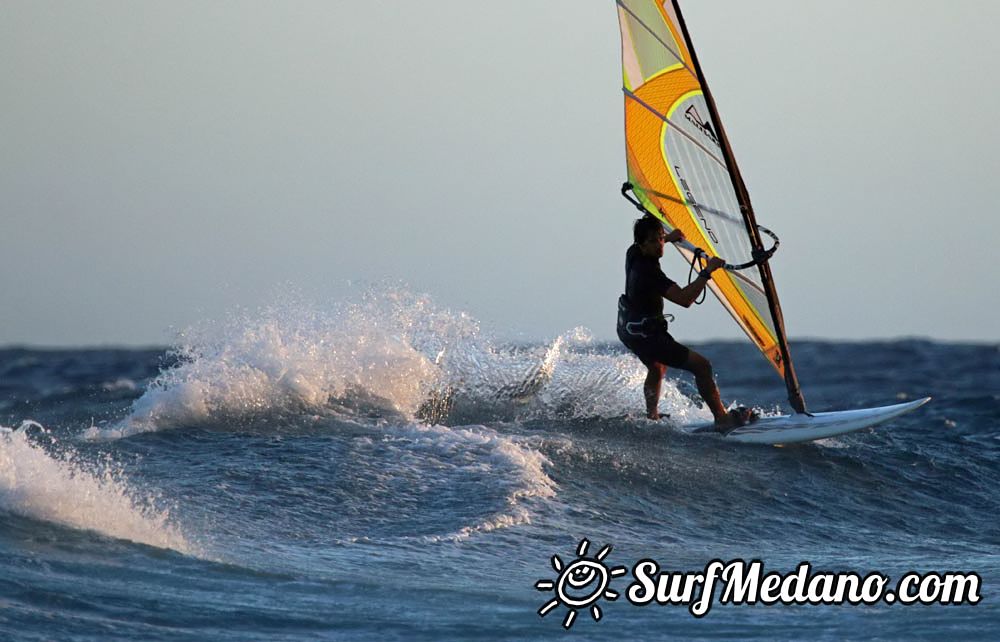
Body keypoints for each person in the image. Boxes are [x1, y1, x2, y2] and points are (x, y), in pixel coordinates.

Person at [617, 214, 756, 431]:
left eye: (660, 239)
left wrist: (670, 238)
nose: (659, 245)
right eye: (653, 241)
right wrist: (707, 271)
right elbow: (684, 299)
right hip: (647, 336)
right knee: (702, 366)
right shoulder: (649, 273)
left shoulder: (632, 253)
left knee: (657, 367)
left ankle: (651, 416)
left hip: (629, 329)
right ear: (642, 245)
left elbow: (653, 244)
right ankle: (721, 418)